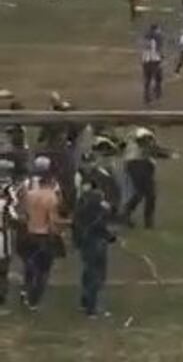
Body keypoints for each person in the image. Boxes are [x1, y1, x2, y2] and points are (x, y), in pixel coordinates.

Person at [22, 156, 63, 310]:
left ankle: (26, 291)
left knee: (29, 265)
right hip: (44, 236)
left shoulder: (30, 194)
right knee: (44, 272)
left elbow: (24, 214)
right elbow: (52, 221)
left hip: (29, 233)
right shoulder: (51, 197)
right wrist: (59, 232)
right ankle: (34, 301)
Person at [72, 180, 116, 318]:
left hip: (85, 244)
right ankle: (92, 308)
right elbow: (102, 228)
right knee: (97, 277)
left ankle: (85, 303)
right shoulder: (99, 212)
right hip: (97, 245)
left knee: (88, 273)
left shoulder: (80, 211)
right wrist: (111, 237)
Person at [121, 128, 173, 229]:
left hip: (135, 164)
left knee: (141, 193)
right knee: (150, 193)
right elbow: (148, 148)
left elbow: (151, 148)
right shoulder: (143, 132)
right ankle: (147, 222)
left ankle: (126, 215)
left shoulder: (137, 132)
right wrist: (167, 155)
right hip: (139, 164)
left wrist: (166, 152)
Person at [0, 160, 18, 306]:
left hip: (4, 234)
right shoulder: (9, 193)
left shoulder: (10, 192)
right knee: (3, 267)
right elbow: (14, 216)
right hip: (3, 235)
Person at [141, 24, 164, 105]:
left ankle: (146, 98)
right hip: (154, 61)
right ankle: (157, 96)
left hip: (145, 61)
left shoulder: (145, 38)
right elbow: (158, 50)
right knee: (158, 78)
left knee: (147, 80)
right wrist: (162, 57)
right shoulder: (157, 38)